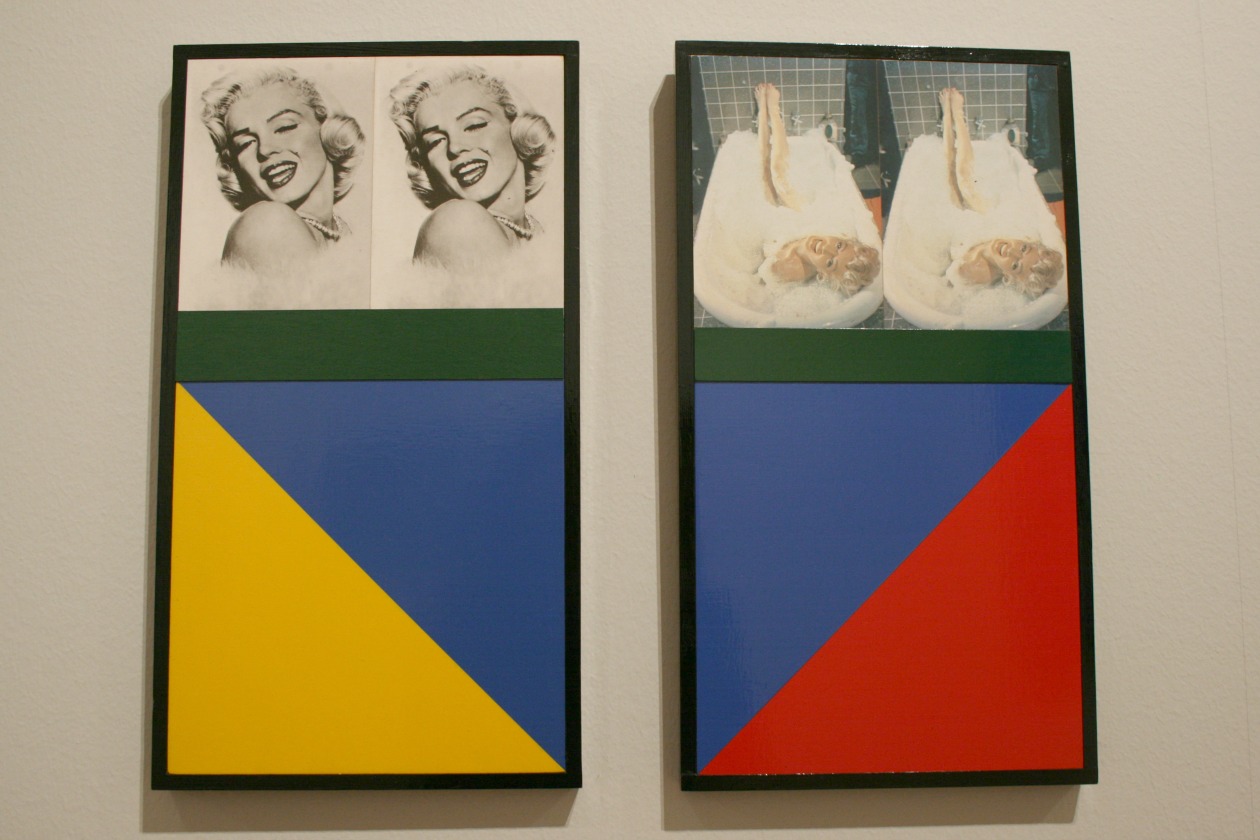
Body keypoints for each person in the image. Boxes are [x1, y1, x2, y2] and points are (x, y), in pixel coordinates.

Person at [388, 64, 555, 274]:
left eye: (473, 125)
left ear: (516, 126)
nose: (455, 148)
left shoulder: (537, 230)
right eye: (435, 141)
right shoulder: (459, 222)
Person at [200, 67, 364, 275]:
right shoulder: (268, 224)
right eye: (245, 144)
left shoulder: (343, 232)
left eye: (284, 127)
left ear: (325, 128)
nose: (265, 150)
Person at [753, 82, 879, 296]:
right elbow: (820, 219)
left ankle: (764, 113)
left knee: (765, 173)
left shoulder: (787, 270)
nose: (825, 248)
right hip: (805, 220)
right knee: (779, 175)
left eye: (830, 263)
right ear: (845, 240)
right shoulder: (831, 229)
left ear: (823, 274)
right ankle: (773, 111)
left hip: (779, 230)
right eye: (839, 246)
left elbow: (762, 281)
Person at [938, 87, 1063, 297]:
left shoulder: (974, 272)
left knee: (950, 175)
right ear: (1030, 243)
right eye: (1024, 249)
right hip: (987, 220)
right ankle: (957, 116)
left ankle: (948, 117)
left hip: (963, 233)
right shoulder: (1021, 233)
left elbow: (948, 284)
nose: (1010, 251)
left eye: (1015, 265)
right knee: (966, 180)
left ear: (1009, 278)